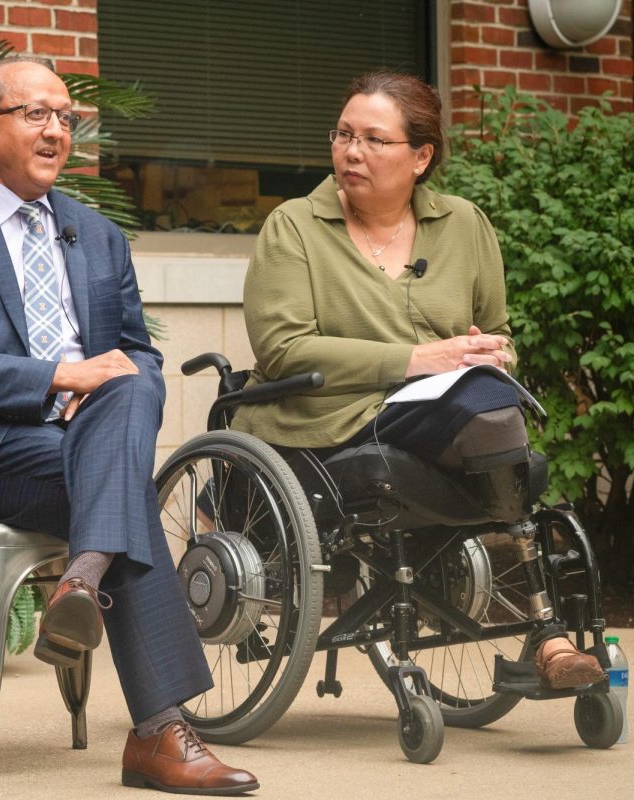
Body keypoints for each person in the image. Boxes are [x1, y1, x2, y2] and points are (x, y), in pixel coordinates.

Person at [0, 57, 259, 795]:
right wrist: (59, 376)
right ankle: (159, 730)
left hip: (80, 448)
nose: (58, 129)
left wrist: (108, 381)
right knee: (125, 495)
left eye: (66, 116)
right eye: (36, 115)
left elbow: (139, 354)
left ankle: (84, 579)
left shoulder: (95, 233)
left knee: (126, 387)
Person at [231, 71, 604, 690]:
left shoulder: (464, 224)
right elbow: (283, 349)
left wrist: (488, 352)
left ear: (421, 156)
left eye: (375, 140)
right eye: (344, 134)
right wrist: (419, 359)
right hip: (327, 420)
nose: (352, 152)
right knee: (491, 416)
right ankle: (546, 628)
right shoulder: (293, 226)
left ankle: (546, 633)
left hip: (440, 414)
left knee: (491, 396)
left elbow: (494, 328)